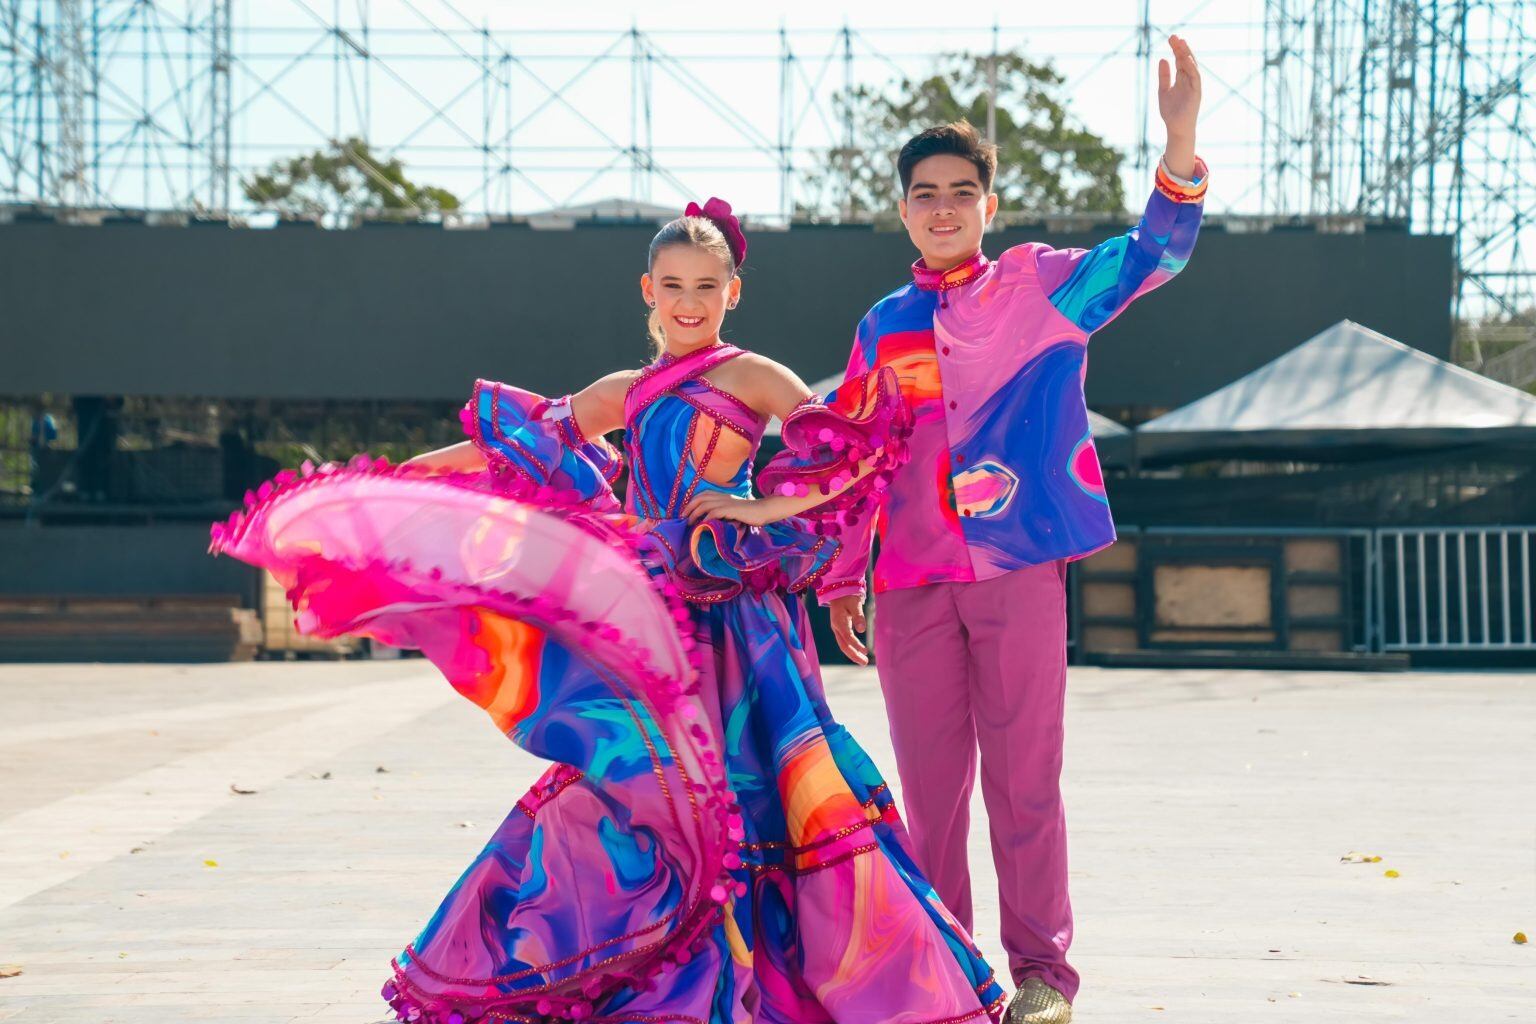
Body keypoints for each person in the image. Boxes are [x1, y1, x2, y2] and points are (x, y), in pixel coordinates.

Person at [211, 198, 1005, 1024]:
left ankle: (775, 986)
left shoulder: (756, 376)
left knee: (762, 796)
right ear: (646, 291)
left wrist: (754, 513)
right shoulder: (623, 391)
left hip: (739, 626)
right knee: (632, 793)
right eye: (672, 285)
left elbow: (854, 450)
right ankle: (663, 980)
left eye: (706, 284)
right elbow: (512, 448)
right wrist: (394, 481)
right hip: (649, 619)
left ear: (734, 291)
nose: (688, 301)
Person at [814, 36, 1208, 1024]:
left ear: (988, 206)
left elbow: (1155, 254)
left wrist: (1182, 139)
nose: (942, 207)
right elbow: (854, 454)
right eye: (924, 192)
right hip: (908, 584)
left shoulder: (1040, 285)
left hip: (1019, 566)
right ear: (902, 208)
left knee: (1027, 783)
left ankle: (1042, 976)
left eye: (960, 191)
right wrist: (836, 575)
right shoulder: (881, 325)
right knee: (930, 795)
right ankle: (950, 975)